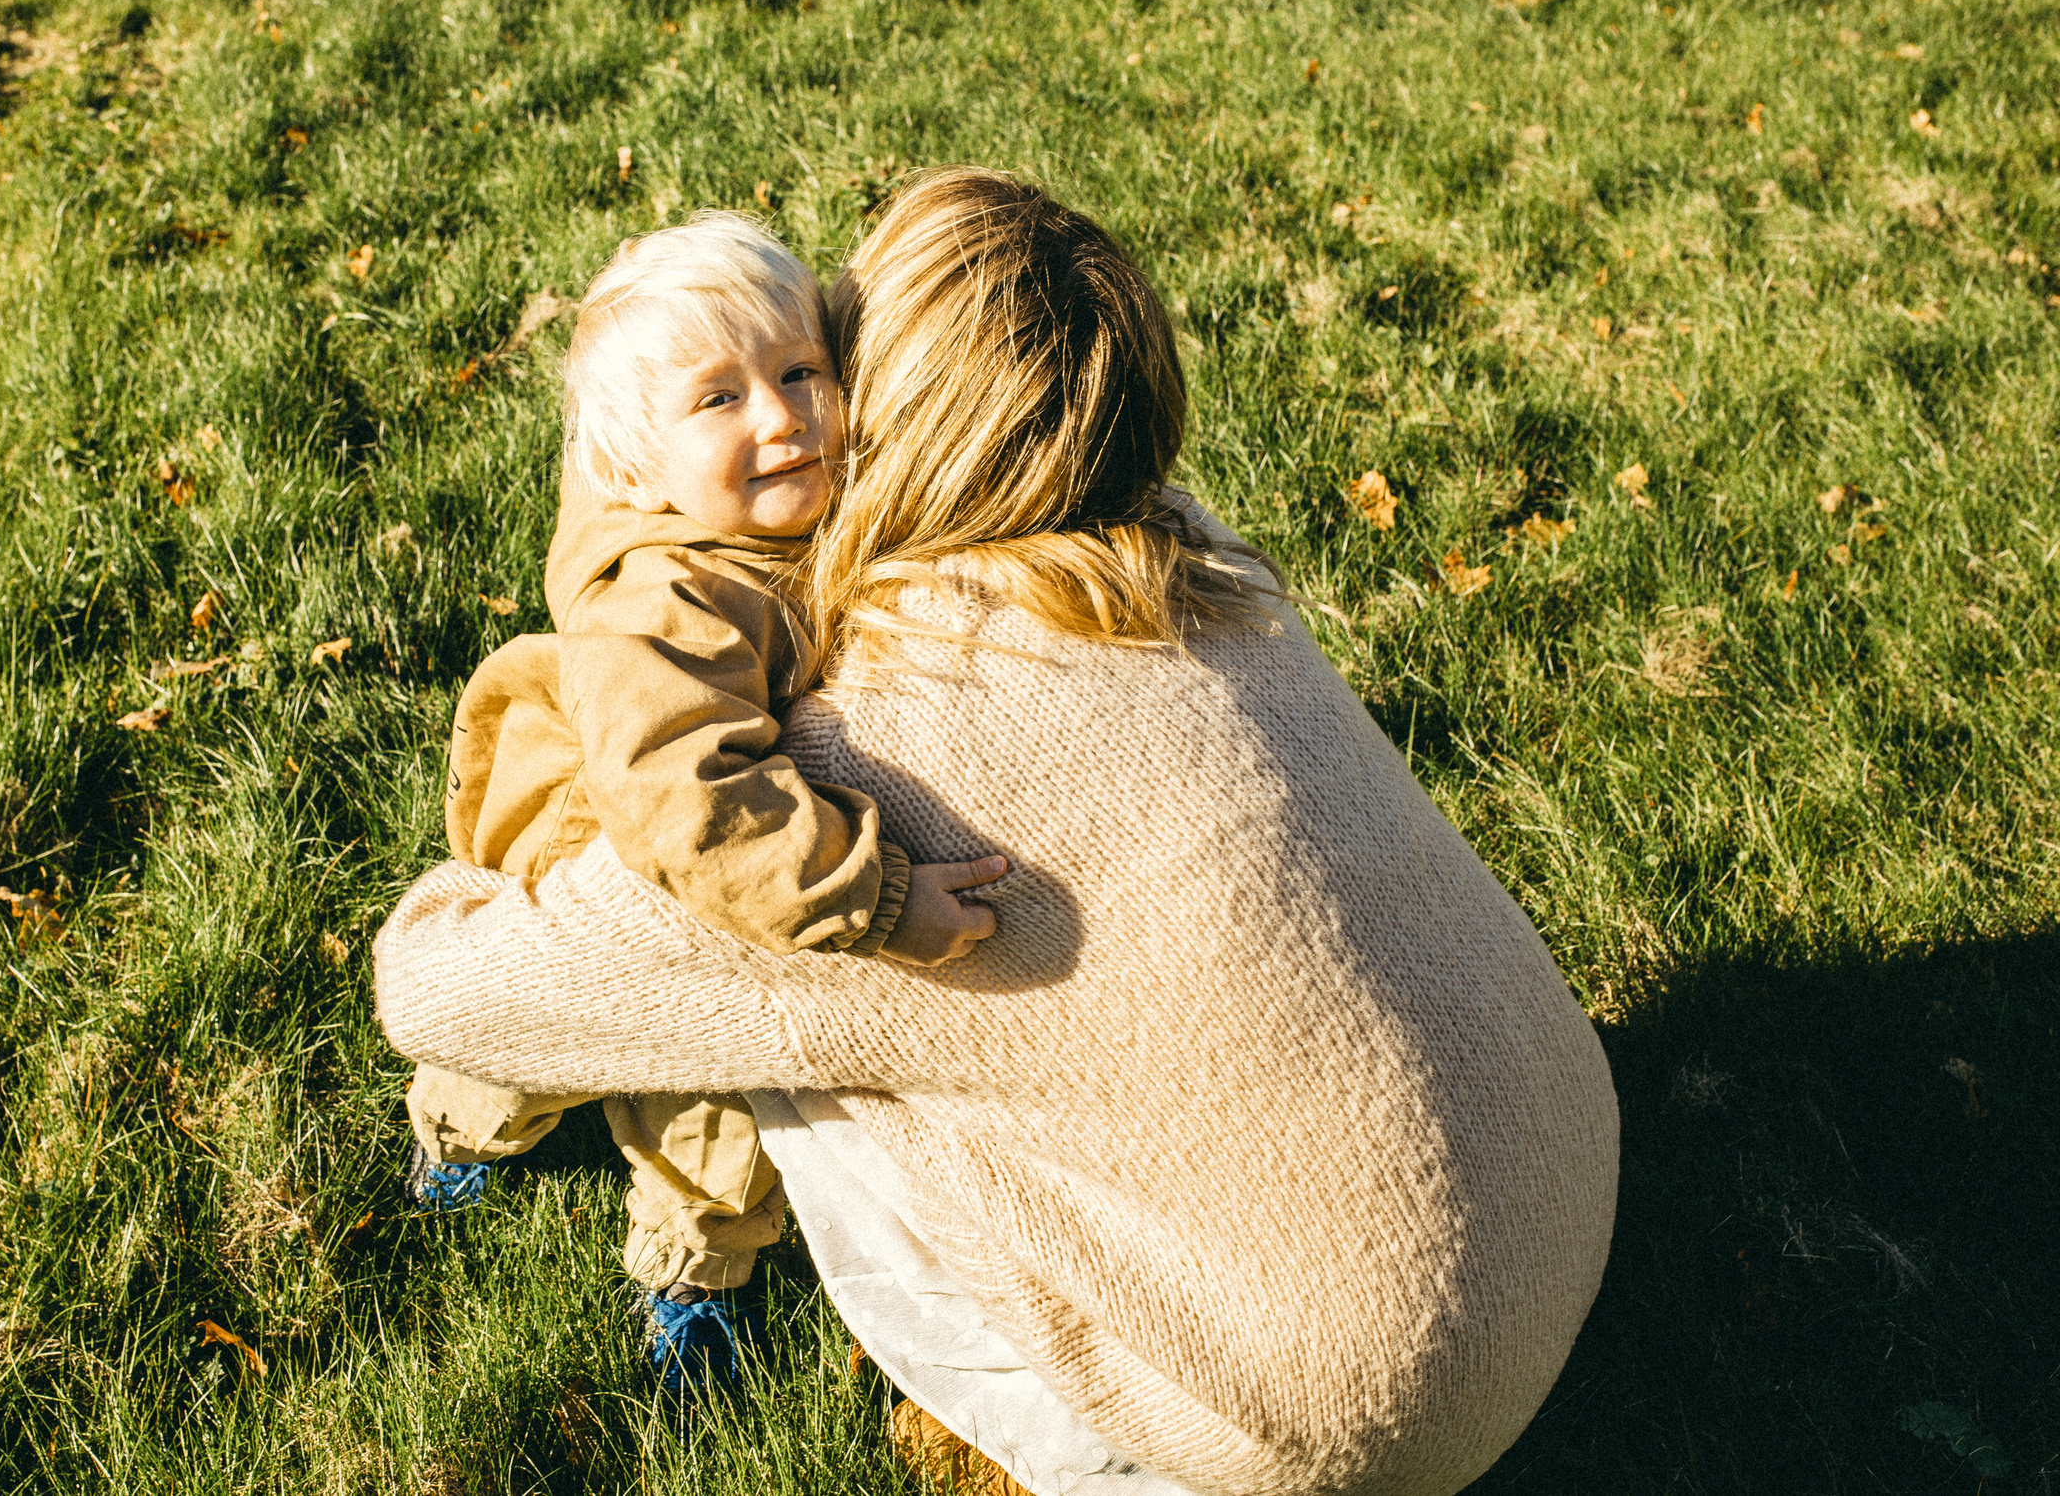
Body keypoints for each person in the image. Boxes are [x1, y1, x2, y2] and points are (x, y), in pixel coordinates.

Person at [374, 167, 1620, 1493]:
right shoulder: (1204, 556)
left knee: (803, 996)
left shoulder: (872, 771)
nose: (799, 414)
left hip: (1351, 1425)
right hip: (1561, 1192)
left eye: (823, 363)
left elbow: (432, 989)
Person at [399, 210, 1006, 1396]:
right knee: (695, 1061)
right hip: (616, 848)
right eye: (718, 400)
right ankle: (641, 1237)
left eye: (798, 373)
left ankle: (594, 1178)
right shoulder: (663, 598)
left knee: (682, 1042)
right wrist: (874, 903)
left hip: (711, 815)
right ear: (634, 471)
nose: (780, 417)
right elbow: (689, 801)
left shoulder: (763, 515)